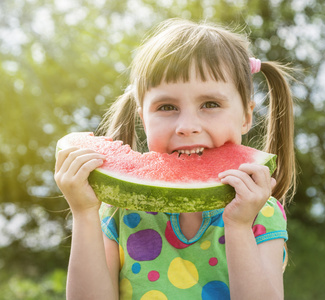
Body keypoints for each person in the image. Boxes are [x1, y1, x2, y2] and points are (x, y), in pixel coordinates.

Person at [54, 18, 296, 300]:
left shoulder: (261, 213)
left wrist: (239, 226)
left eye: (210, 104)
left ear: (246, 116)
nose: (187, 125)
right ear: (143, 119)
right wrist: (84, 214)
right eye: (167, 107)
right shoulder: (119, 211)